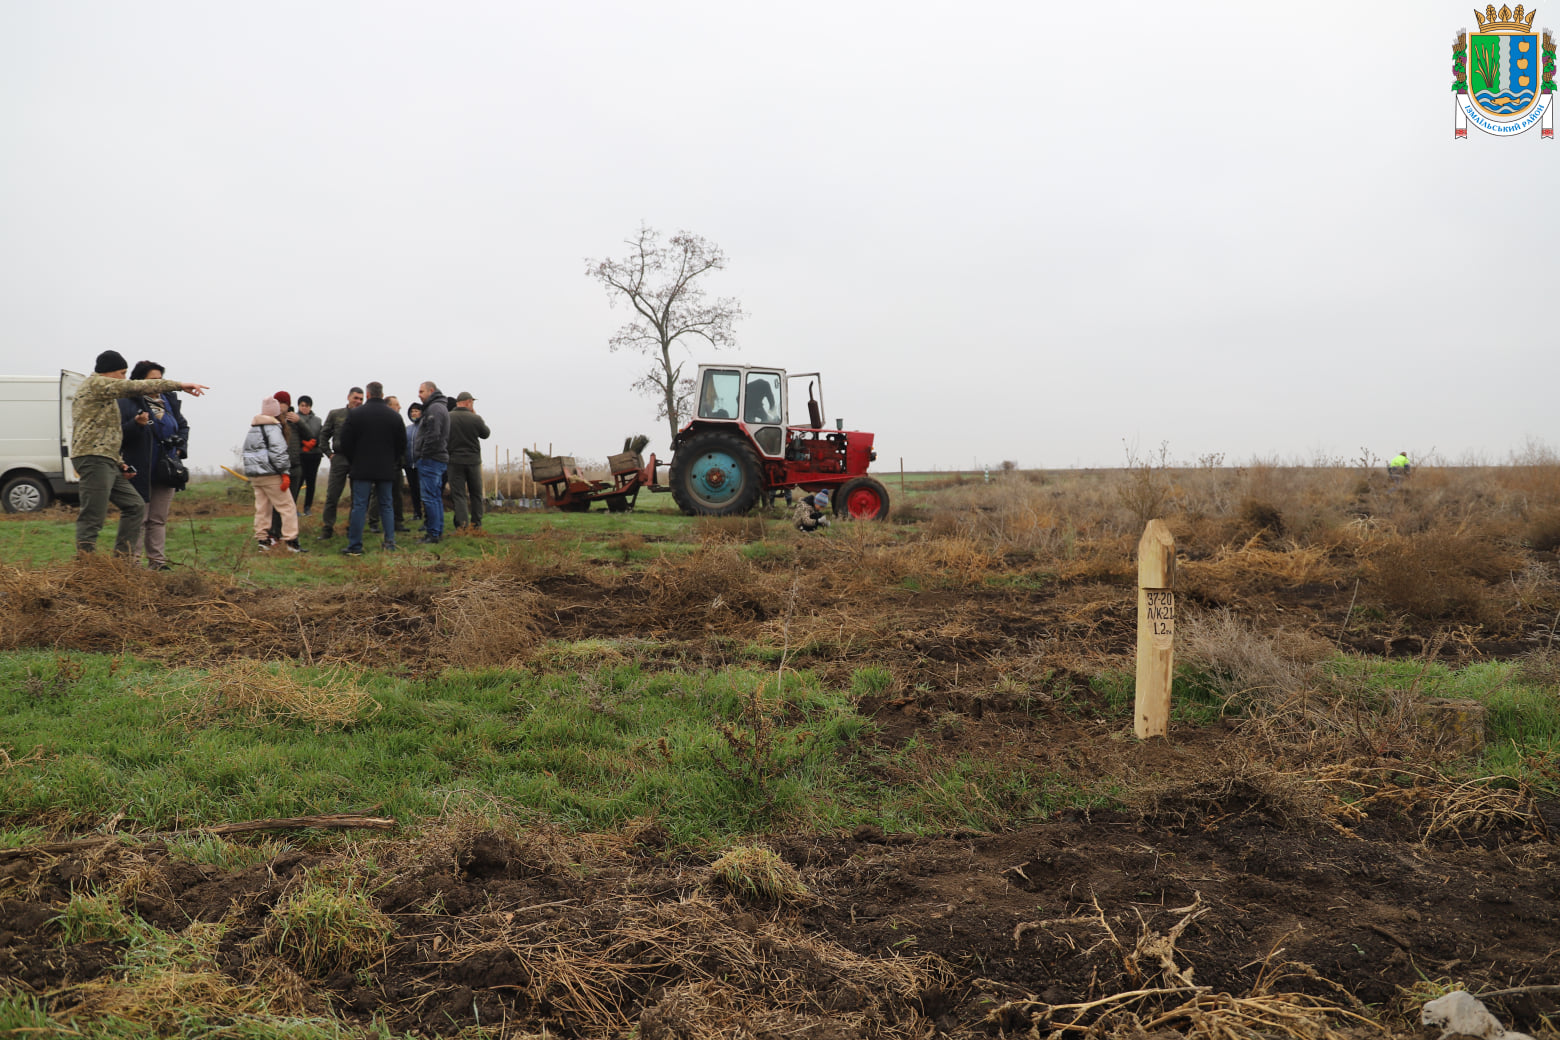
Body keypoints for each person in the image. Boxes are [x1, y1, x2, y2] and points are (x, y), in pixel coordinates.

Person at [70, 350, 207, 556]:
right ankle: (85, 565)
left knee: (134, 506)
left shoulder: (104, 393)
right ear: (109, 373)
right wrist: (179, 385)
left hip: (107, 459)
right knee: (93, 514)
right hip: (93, 458)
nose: (124, 378)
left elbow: (107, 431)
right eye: (122, 373)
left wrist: (118, 462)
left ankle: (121, 564)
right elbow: (136, 386)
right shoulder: (96, 384)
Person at [116, 361, 190, 570]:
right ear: (139, 381)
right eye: (152, 380)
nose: (158, 384)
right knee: (140, 516)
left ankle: (157, 561)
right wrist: (136, 425)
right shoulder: (129, 402)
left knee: (158, 518)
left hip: (167, 468)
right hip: (140, 466)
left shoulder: (169, 400)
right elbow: (120, 433)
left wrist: (179, 448)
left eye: (160, 380)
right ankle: (134, 562)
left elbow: (183, 426)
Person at [337, 381, 406, 557]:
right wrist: (392, 460)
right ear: (382, 395)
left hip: (361, 466)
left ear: (367, 395)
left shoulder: (355, 414)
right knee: (387, 505)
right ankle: (389, 543)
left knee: (360, 506)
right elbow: (402, 444)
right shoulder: (394, 417)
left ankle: (355, 546)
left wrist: (354, 459)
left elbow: (344, 441)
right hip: (385, 467)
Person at [242, 397, 305, 553]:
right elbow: (279, 453)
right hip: (271, 474)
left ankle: (263, 540)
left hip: (255, 476)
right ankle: (291, 541)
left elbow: (247, 452)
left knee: (262, 507)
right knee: (287, 506)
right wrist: (284, 473)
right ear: (276, 412)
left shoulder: (253, 429)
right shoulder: (274, 428)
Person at [316, 386, 364, 539]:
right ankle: (327, 528)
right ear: (349, 397)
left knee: (358, 497)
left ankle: (353, 528)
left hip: (358, 459)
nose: (358, 401)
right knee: (332, 495)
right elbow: (323, 435)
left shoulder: (365, 415)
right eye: (356, 398)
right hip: (339, 458)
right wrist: (329, 454)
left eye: (361, 399)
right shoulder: (336, 414)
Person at [448, 391, 491, 531]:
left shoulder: (448, 417)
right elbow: (486, 434)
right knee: (476, 493)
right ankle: (477, 524)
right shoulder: (475, 418)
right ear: (468, 402)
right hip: (473, 461)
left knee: (459, 495)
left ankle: (462, 526)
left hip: (454, 461)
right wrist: (475, 415)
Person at [415, 380, 450, 544]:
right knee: (435, 497)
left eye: (422, 391)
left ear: (431, 390)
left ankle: (433, 533)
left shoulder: (434, 409)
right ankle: (436, 531)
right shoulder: (438, 407)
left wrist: (423, 454)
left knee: (430, 498)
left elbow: (433, 435)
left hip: (431, 459)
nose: (419, 395)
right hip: (437, 458)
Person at [268, 391, 304, 543]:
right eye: (278, 402)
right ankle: (273, 534)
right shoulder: (269, 420)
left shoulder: (294, 421)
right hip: (276, 470)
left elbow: (312, 435)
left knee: (291, 505)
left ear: (288, 405)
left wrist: (300, 421)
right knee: (276, 505)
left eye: (284, 403)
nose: (281, 406)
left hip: (295, 468)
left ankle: (290, 538)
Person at [296, 395, 324, 514]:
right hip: (300, 454)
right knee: (298, 481)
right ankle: (293, 506)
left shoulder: (317, 420)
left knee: (311, 482)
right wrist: (303, 444)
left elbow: (321, 435)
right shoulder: (295, 418)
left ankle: (308, 507)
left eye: (306, 406)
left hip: (314, 454)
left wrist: (314, 443)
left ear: (310, 407)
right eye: (302, 405)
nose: (304, 408)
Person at [405, 401, 423, 521]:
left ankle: (427, 513)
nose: (414, 413)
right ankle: (417, 513)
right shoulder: (407, 429)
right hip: (409, 464)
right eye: (412, 411)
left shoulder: (424, 428)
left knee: (423, 489)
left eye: (416, 411)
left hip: (421, 464)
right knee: (414, 489)